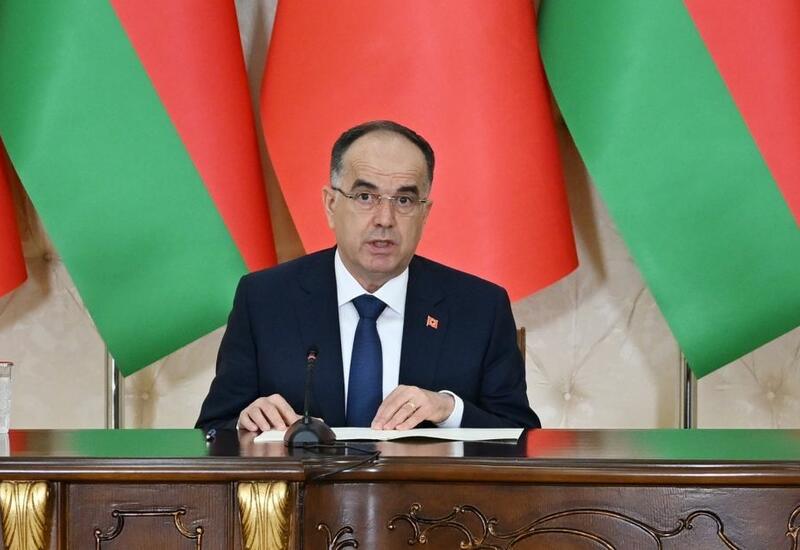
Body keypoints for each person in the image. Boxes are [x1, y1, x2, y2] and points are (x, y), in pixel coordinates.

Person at [196, 120, 540, 431]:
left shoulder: (480, 308)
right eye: (365, 197)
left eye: (404, 201)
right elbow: (212, 428)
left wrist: (449, 409)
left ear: (425, 213)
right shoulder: (264, 300)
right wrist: (244, 422)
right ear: (331, 205)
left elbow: (522, 437)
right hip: (303, 485)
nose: (385, 219)